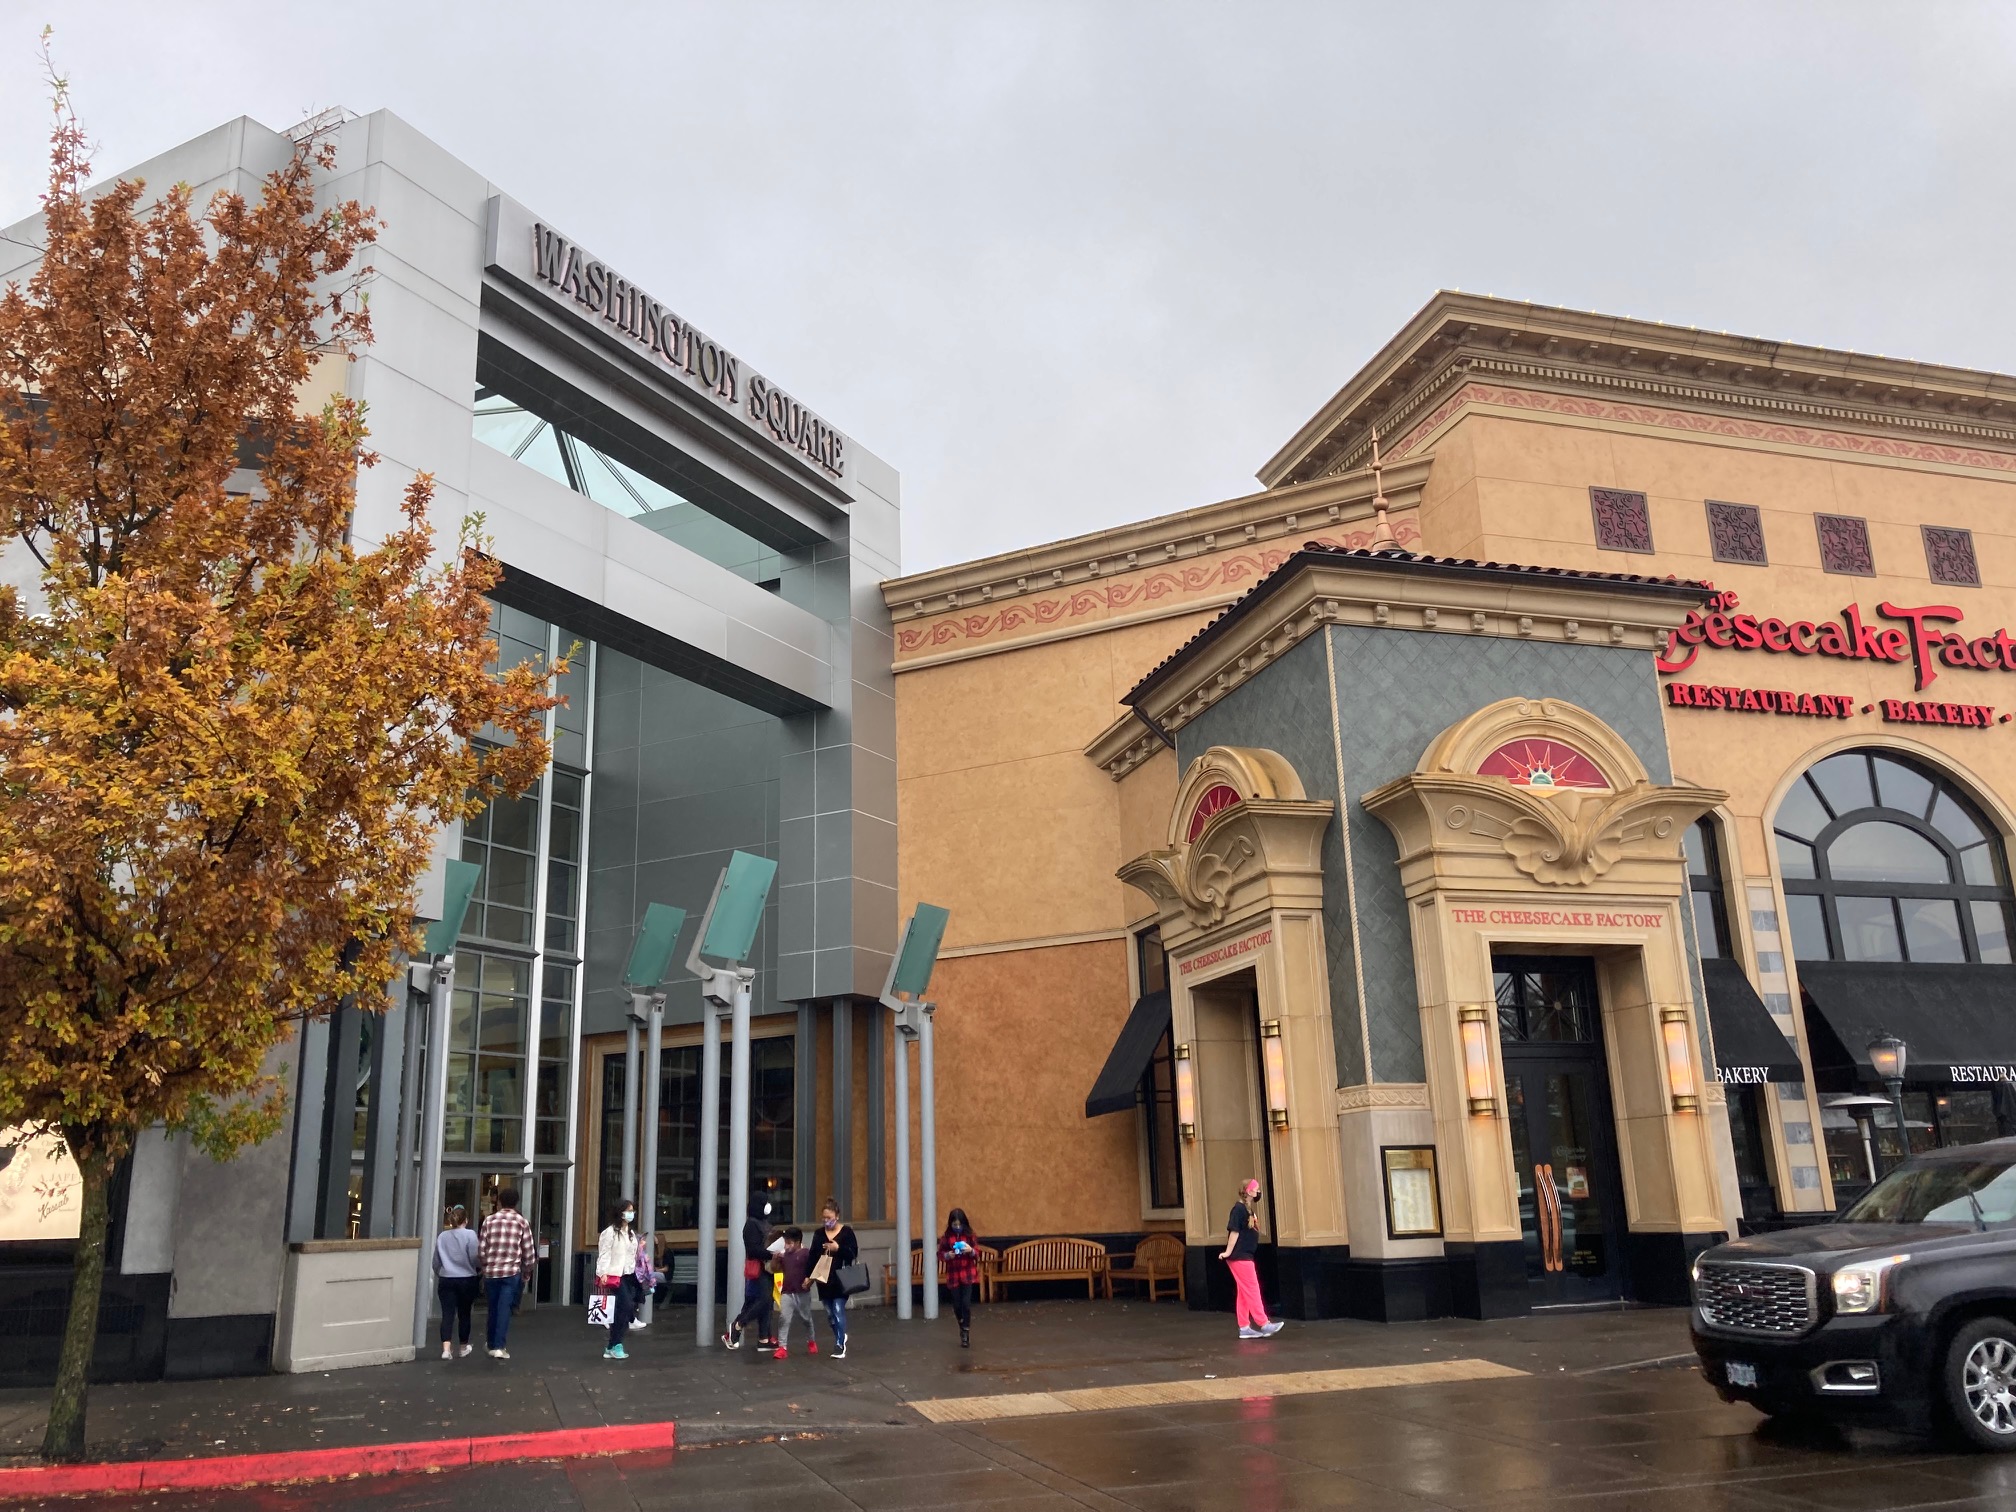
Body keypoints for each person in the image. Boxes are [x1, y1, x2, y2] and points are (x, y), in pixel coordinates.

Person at [477, 1187, 538, 1359]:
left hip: (491, 1272)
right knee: (504, 1308)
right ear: (516, 1202)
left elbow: (481, 1249)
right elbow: (528, 1251)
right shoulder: (521, 1222)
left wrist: (485, 1266)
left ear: (500, 1202)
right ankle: (499, 1346)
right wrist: (526, 1271)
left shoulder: (489, 1221)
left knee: (493, 1308)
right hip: (511, 1272)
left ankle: (490, 1343)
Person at [1219, 1178, 1283, 1340]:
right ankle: (1263, 1323)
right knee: (1252, 1288)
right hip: (1240, 1256)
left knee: (1244, 1292)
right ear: (1248, 1191)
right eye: (1256, 1189)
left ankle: (1244, 1327)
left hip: (1245, 1255)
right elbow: (1234, 1232)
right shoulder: (1239, 1210)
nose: (1258, 1192)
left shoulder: (1247, 1210)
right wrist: (1227, 1252)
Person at [723, 1196, 777, 1350]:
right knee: (764, 1300)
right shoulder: (751, 1225)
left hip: (768, 1268)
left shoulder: (764, 1223)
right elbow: (753, 1250)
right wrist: (772, 1253)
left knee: (764, 1302)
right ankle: (739, 1324)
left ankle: (764, 1339)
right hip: (758, 1268)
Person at [596, 1200, 646, 1361]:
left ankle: (612, 1345)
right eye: (629, 1210)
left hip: (628, 1274)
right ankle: (616, 1344)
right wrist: (602, 1272)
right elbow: (604, 1253)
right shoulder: (610, 1233)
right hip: (614, 1275)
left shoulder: (630, 1234)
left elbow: (631, 1255)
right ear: (621, 1213)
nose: (632, 1213)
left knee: (623, 1310)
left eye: (632, 1210)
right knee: (625, 1306)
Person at [809, 1198, 858, 1360]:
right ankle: (840, 1334)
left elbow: (852, 1253)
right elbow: (812, 1257)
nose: (826, 1221)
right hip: (823, 1279)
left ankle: (839, 1344)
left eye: (829, 1218)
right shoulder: (818, 1234)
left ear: (837, 1216)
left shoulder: (847, 1233)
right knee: (830, 1313)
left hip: (840, 1278)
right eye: (823, 1218)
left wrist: (838, 1248)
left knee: (838, 1309)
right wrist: (808, 1277)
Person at [433, 1205, 479, 1360]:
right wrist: (478, 1269)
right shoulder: (470, 1235)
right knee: (464, 1313)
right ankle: (463, 1346)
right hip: (466, 1278)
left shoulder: (442, 1236)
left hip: (446, 1278)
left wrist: (440, 1272)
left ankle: (446, 1349)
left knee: (447, 1314)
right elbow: (474, 1257)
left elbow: (436, 1262)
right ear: (466, 1220)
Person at [937, 1208, 981, 1349]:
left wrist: (970, 1251)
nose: (957, 1227)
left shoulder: (969, 1236)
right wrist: (947, 1255)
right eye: (954, 1225)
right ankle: (961, 1323)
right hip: (953, 1274)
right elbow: (940, 1254)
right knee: (957, 1304)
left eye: (959, 1225)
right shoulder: (946, 1237)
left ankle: (965, 1333)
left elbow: (977, 1253)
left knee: (966, 1303)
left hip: (967, 1273)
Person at [773, 1228, 821, 1358]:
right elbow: (775, 1269)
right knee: (784, 1318)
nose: (786, 1246)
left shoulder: (806, 1254)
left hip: (802, 1292)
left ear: (798, 1242)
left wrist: (810, 1280)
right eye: (785, 1242)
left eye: (789, 1243)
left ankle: (811, 1340)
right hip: (787, 1292)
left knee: (806, 1318)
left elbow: (815, 1270)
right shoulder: (785, 1255)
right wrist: (775, 1259)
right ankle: (782, 1347)